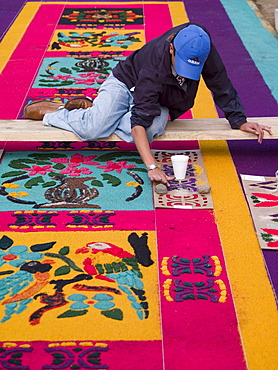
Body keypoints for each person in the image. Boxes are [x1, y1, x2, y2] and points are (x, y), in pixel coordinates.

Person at [24, 23, 272, 185]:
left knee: (152, 130)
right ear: (172, 47)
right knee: (94, 130)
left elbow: (221, 84)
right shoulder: (155, 62)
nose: (186, 74)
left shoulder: (201, 46)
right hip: (125, 83)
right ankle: (58, 111)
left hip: (162, 100)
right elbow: (139, 121)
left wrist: (239, 120)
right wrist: (151, 166)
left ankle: (100, 112)